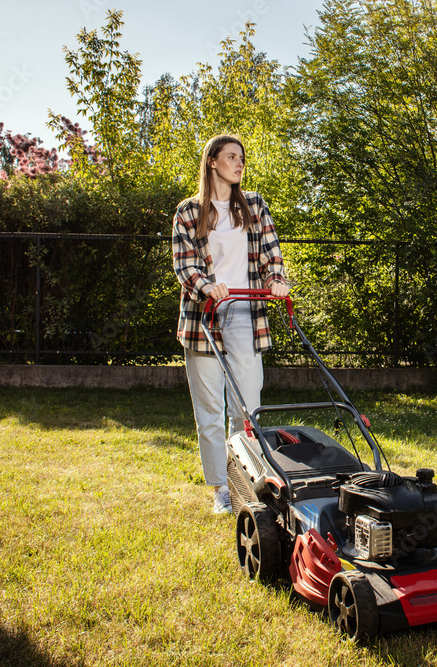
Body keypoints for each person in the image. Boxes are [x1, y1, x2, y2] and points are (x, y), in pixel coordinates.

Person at [172, 134, 289, 514]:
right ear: (212, 162)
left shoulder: (253, 205)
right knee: (209, 410)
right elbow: (185, 263)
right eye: (231, 157)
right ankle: (221, 488)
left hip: (245, 314)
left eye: (241, 157)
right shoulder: (188, 212)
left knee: (247, 408)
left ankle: (247, 480)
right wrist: (206, 286)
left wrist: (276, 280)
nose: (239, 163)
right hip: (203, 316)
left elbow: (271, 251)